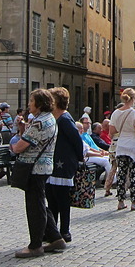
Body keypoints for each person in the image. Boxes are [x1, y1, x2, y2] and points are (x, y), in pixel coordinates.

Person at [11, 89, 66, 258]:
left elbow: (19, 146)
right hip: (43, 167)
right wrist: (23, 129)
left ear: (40, 104)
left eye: (31, 101)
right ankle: (56, 238)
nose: (29, 104)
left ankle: (35, 245)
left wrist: (12, 147)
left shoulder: (40, 122)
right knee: (40, 202)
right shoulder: (48, 119)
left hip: (34, 168)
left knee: (35, 207)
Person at [46, 87, 84, 243]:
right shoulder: (55, 118)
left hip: (63, 165)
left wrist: (79, 159)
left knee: (62, 200)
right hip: (54, 164)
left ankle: (64, 231)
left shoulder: (65, 119)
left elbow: (77, 141)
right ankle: (53, 231)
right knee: (52, 200)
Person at [109, 88, 135, 211]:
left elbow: (112, 132)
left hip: (121, 146)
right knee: (134, 174)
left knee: (121, 174)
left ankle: (120, 201)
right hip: (133, 146)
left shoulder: (115, 113)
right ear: (133, 99)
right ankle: (134, 202)